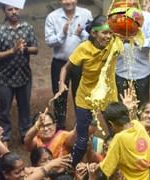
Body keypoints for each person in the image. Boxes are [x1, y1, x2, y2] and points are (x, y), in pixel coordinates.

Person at [52, 15, 123, 167]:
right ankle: (70, 168)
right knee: (82, 140)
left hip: (108, 96)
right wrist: (61, 84)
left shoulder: (115, 43)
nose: (108, 36)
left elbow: (129, 35)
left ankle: (115, 166)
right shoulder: (84, 48)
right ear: (94, 33)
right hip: (86, 97)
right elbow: (65, 68)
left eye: (110, 33)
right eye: (104, 33)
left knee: (117, 133)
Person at [0, 4, 38, 144]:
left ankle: (25, 134)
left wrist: (25, 48)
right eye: (10, 10)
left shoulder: (27, 28)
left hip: (24, 76)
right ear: (4, 11)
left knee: (25, 107)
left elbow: (35, 49)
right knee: (4, 110)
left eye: (16, 9)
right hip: (5, 78)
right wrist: (13, 50)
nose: (14, 12)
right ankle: (4, 136)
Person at [83, 101, 150, 179]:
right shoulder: (137, 124)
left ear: (111, 124)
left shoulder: (118, 139)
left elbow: (105, 171)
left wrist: (90, 171)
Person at [45, 0, 93, 130]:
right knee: (59, 97)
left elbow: (93, 38)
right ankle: (60, 129)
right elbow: (49, 41)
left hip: (80, 63)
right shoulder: (52, 17)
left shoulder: (86, 14)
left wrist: (81, 33)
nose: (68, 2)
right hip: (59, 63)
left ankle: (82, 128)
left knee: (81, 96)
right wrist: (62, 34)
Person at [115, 6, 150, 107]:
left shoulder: (148, 17)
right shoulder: (116, 17)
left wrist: (134, 40)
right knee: (122, 107)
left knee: (142, 106)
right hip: (121, 71)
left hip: (141, 72)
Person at [0, 152, 72, 180]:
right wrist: (50, 165)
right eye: (17, 172)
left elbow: (34, 170)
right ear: (5, 174)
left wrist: (56, 166)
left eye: (23, 169)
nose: (23, 174)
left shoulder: (21, 172)